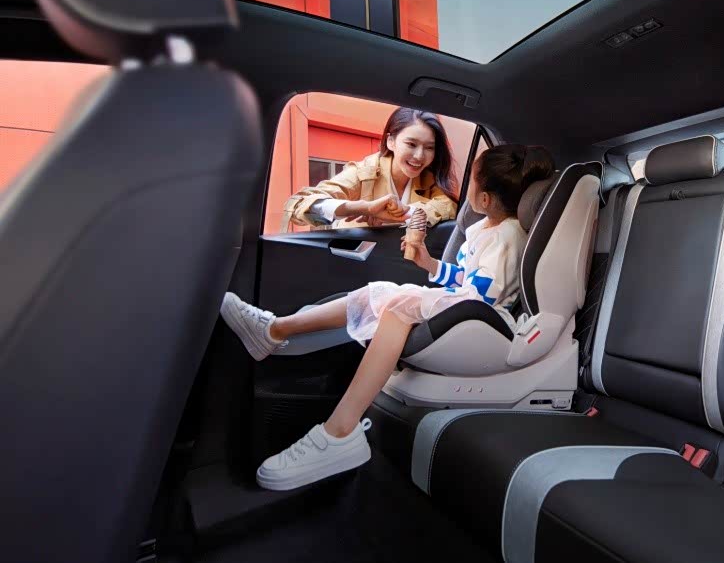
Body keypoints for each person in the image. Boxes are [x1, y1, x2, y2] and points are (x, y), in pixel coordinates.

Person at [220, 145, 556, 490]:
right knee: (381, 293)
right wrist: (429, 263)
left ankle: (339, 429)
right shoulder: (486, 227)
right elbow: (466, 277)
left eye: (471, 180)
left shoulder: (507, 235)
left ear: (484, 198)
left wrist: (426, 298)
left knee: (396, 303)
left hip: (483, 316)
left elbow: (484, 294)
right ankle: (274, 330)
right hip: (468, 304)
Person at [281, 107, 458, 231]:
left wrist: (402, 213)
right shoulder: (364, 172)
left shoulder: (432, 180)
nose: (419, 156)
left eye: (429, 148)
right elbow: (297, 205)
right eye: (411, 144)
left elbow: (449, 206)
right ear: (391, 141)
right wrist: (360, 208)